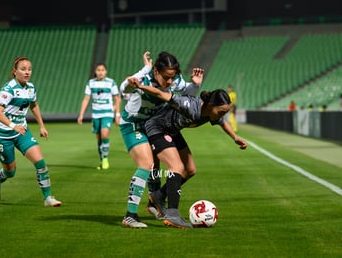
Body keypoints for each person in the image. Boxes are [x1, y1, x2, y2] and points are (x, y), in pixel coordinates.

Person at [130, 81, 247, 228]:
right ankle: (172, 214)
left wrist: (235, 137)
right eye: (221, 111)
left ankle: (158, 196)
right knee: (176, 167)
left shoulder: (214, 113)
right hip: (157, 128)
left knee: (190, 169)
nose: (222, 115)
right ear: (210, 106)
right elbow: (161, 94)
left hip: (172, 131)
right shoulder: (188, 105)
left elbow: (223, 122)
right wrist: (140, 86)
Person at [119, 51, 204, 228]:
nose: (170, 82)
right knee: (146, 163)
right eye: (166, 77)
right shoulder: (145, 78)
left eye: (173, 77)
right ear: (156, 71)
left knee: (156, 167)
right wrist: (135, 79)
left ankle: (155, 203)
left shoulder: (174, 80)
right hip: (134, 124)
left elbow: (185, 92)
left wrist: (195, 85)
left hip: (154, 125)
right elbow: (124, 88)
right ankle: (130, 215)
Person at [0, 57, 61, 207]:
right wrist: (12, 125)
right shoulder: (8, 89)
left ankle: (48, 198)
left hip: (22, 132)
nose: (27, 72)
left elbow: (34, 105)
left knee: (40, 162)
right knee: (10, 172)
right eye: (23, 69)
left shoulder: (31, 88)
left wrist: (42, 126)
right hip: (3, 136)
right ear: (15, 71)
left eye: (29, 69)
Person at [77, 63, 121, 170]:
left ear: (106, 71)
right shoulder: (91, 83)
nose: (100, 72)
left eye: (102, 70)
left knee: (104, 134)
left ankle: (105, 159)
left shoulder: (111, 82)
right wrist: (81, 114)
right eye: (98, 70)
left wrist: (117, 114)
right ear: (95, 72)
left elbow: (117, 98)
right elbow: (86, 99)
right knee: (99, 138)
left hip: (107, 113)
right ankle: (102, 159)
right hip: (96, 114)